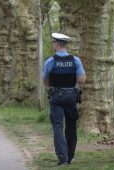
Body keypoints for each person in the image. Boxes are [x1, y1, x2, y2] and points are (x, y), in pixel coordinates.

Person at [42, 33, 86, 166]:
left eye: (53, 43)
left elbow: (45, 80)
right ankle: (70, 156)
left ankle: (63, 158)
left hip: (56, 96)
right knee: (71, 126)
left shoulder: (50, 60)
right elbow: (81, 80)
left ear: (56, 44)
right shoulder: (75, 60)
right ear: (64, 45)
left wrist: (52, 86)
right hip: (71, 96)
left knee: (57, 126)